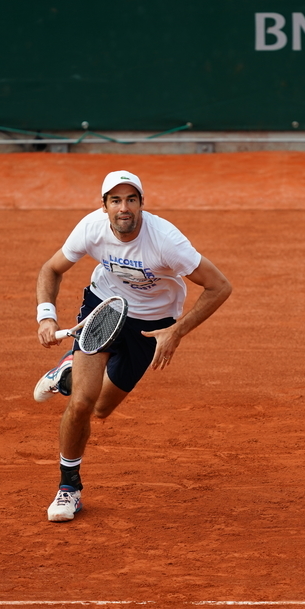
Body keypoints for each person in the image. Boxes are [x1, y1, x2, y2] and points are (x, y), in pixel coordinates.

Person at [33, 170, 232, 522]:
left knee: (101, 410)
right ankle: (69, 489)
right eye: (115, 200)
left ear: (141, 204)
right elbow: (51, 269)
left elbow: (219, 286)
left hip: (152, 326)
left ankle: (66, 374)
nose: (123, 208)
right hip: (104, 308)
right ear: (104, 206)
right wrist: (46, 316)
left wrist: (177, 331)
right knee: (81, 404)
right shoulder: (90, 228)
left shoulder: (166, 241)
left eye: (131, 199)